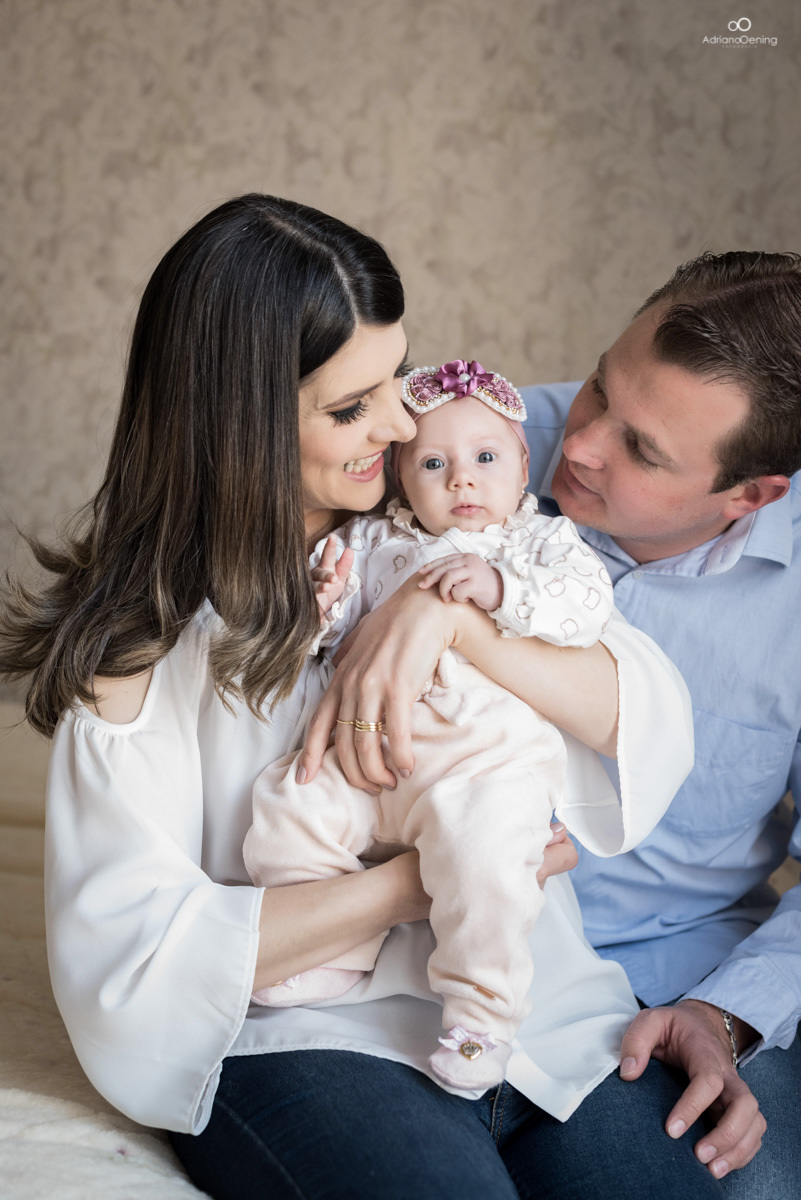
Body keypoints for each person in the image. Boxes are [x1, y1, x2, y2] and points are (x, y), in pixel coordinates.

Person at [0, 193, 704, 1200]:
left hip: (542, 1017)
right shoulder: (142, 655)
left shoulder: (447, 529)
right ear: (238, 424)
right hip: (310, 1038)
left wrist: (444, 621)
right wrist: (418, 883)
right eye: (351, 408)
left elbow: (641, 707)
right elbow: (135, 962)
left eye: (397, 379)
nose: (403, 424)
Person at [245, 358, 651, 1093]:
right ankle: (333, 953)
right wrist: (323, 605)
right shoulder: (375, 541)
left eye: (485, 459)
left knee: (488, 869)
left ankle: (479, 1021)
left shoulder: (539, 543)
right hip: (369, 757)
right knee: (290, 799)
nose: (462, 480)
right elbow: (328, 641)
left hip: (484, 764)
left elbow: (584, 607)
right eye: (433, 464)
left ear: (523, 465)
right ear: (401, 479)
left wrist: (499, 590)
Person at [504, 250, 800, 1196]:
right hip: (443, 953)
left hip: (674, 979)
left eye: (642, 449)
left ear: (750, 495)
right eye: (599, 385)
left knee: (743, 1185)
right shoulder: (468, 448)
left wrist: (726, 1013)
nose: (582, 443)